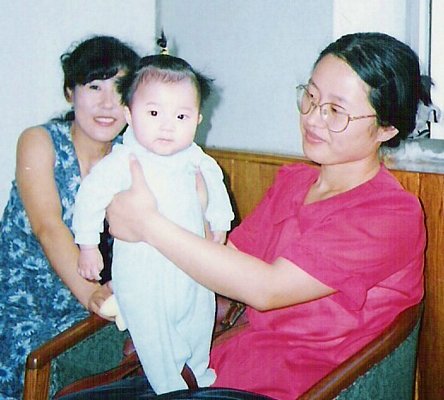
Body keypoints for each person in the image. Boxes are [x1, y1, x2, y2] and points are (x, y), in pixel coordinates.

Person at [60, 32, 429, 400]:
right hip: (229, 366)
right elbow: (228, 258)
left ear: (386, 128)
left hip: (298, 385)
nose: (314, 118)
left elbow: (266, 288)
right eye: (311, 96)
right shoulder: (294, 182)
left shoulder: (391, 214)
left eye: (336, 111)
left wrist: (148, 224)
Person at [71, 37, 234, 394]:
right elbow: (90, 199)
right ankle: (167, 387)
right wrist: (87, 246)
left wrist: (219, 224)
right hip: (142, 274)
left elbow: (216, 185)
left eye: (181, 116)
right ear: (129, 114)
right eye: (154, 113)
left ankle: (199, 373)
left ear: (198, 119)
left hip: (192, 264)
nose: (167, 126)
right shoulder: (124, 161)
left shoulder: (196, 158)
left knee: (199, 315)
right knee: (153, 332)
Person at [0, 35, 140, 399]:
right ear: (69, 92)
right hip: (23, 307)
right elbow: (49, 227)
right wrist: (91, 294)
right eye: (94, 87)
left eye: (120, 88)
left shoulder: (131, 156)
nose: (108, 103)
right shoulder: (40, 141)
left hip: (95, 307)